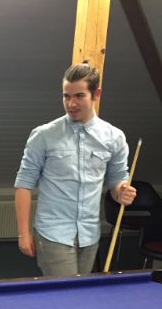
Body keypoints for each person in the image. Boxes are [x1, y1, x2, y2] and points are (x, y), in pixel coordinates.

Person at [14, 62, 136, 277]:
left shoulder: (114, 137)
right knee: (64, 293)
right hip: (53, 234)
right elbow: (24, 184)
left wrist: (122, 192)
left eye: (79, 96)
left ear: (96, 94)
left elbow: (117, 181)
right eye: (66, 96)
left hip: (90, 234)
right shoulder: (43, 135)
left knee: (80, 293)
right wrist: (23, 234)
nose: (71, 104)